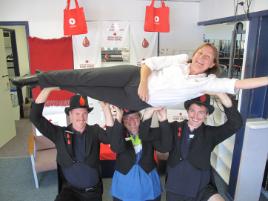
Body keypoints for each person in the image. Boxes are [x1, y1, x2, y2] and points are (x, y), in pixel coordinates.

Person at [12, 43, 268, 110]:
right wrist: (144, 82)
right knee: (85, 75)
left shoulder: (208, 82)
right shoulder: (180, 60)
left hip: (135, 101)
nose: (202, 58)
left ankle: (46, 79)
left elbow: (242, 83)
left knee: (86, 89)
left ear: (212, 64)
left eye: (208, 57)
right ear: (195, 53)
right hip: (133, 76)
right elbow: (148, 64)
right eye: (201, 52)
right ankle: (37, 78)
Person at [146, 93, 242, 201]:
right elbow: (147, 134)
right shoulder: (174, 127)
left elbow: (236, 124)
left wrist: (219, 93)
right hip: (175, 187)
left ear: (206, 114)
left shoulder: (211, 134)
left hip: (201, 187)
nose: (196, 116)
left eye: (201, 112)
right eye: (192, 111)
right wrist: (152, 114)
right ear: (187, 111)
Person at [30, 87, 114, 201]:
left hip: (92, 192)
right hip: (70, 191)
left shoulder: (95, 131)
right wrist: (47, 90)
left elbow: (111, 138)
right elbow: (35, 117)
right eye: (77, 113)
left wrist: (106, 109)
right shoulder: (59, 133)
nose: (81, 117)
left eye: (84, 113)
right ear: (70, 114)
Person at [107, 106, 172, 201]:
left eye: (135, 117)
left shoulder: (150, 132)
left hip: (148, 181)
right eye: (126, 118)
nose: (131, 121)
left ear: (140, 118)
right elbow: (116, 148)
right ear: (123, 122)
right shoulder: (119, 135)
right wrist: (118, 118)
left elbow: (165, 147)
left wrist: (163, 121)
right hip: (124, 183)